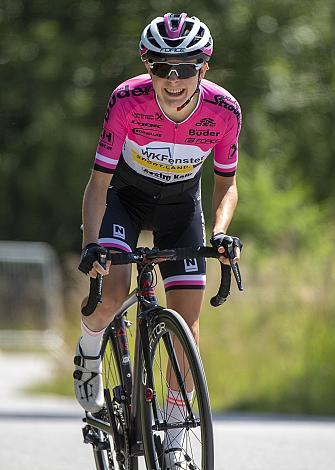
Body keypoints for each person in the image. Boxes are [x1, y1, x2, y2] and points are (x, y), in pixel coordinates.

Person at [74, 12, 242, 469]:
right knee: (111, 295)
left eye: (184, 68)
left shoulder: (224, 111)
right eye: (160, 68)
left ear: (203, 68)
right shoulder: (127, 100)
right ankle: (89, 353)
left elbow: (226, 185)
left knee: (187, 325)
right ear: (147, 67)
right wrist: (94, 244)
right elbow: (98, 183)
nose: (172, 80)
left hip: (179, 211)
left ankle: (169, 431)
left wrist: (222, 233)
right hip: (124, 202)